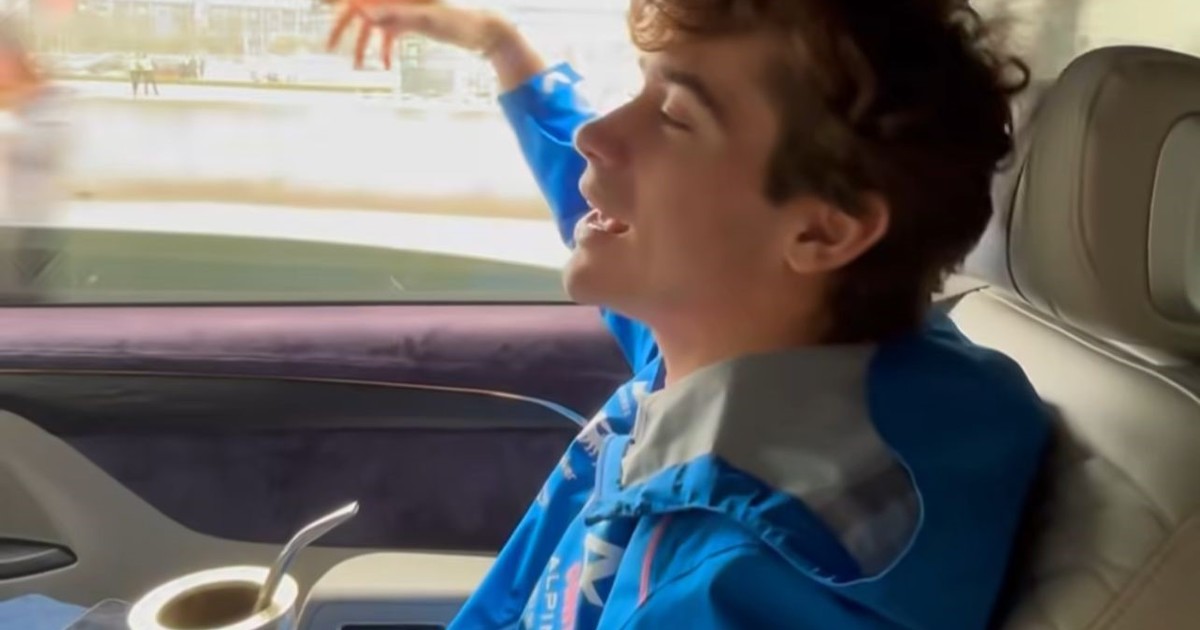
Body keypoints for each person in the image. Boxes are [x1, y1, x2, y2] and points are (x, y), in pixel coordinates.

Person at [325, 0, 1050, 629]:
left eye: (674, 114)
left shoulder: (743, 581)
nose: (594, 136)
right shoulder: (772, 348)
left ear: (822, 232)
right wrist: (498, 43)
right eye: (639, 88)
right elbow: (606, 206)